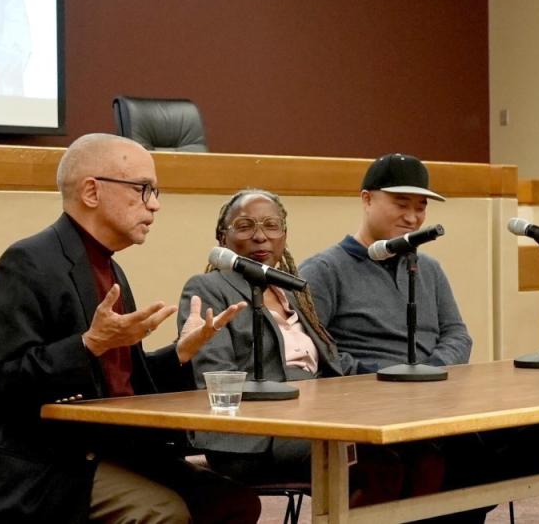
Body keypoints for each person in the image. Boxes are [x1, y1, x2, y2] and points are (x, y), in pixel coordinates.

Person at [0, 133, 259, 524]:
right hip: (41, 466)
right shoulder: (28, 263)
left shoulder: (108, 266)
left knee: (232, 501)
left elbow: (120, 383)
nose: (155, 204)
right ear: (92, 192)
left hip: (112, 449)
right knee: (162, 513)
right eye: (143, 189)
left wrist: (182, 352)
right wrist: (87, 344)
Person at [301, 153, 539, 523]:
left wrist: (428, 372)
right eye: (401, 204)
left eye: (421, 208)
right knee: (454, 452)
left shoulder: (428, 268)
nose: (412, 217)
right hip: (374, 410)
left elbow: (457, 334)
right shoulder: (324, 269)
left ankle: (451, 512)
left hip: (439, 401)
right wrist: (388, 377)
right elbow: (315, 350)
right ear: (367, 199)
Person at [180, 188, 445, 507]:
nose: (261, 237)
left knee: (425, 457)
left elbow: (334, 362)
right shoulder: (209, 288)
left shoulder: (293, 290)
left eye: (271, 225)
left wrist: (386, 387)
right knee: (378, 465)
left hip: (318, 419)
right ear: (222, 237)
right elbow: (217, 377)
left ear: (284, 236)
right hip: (251, 437)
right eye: (246, 225)